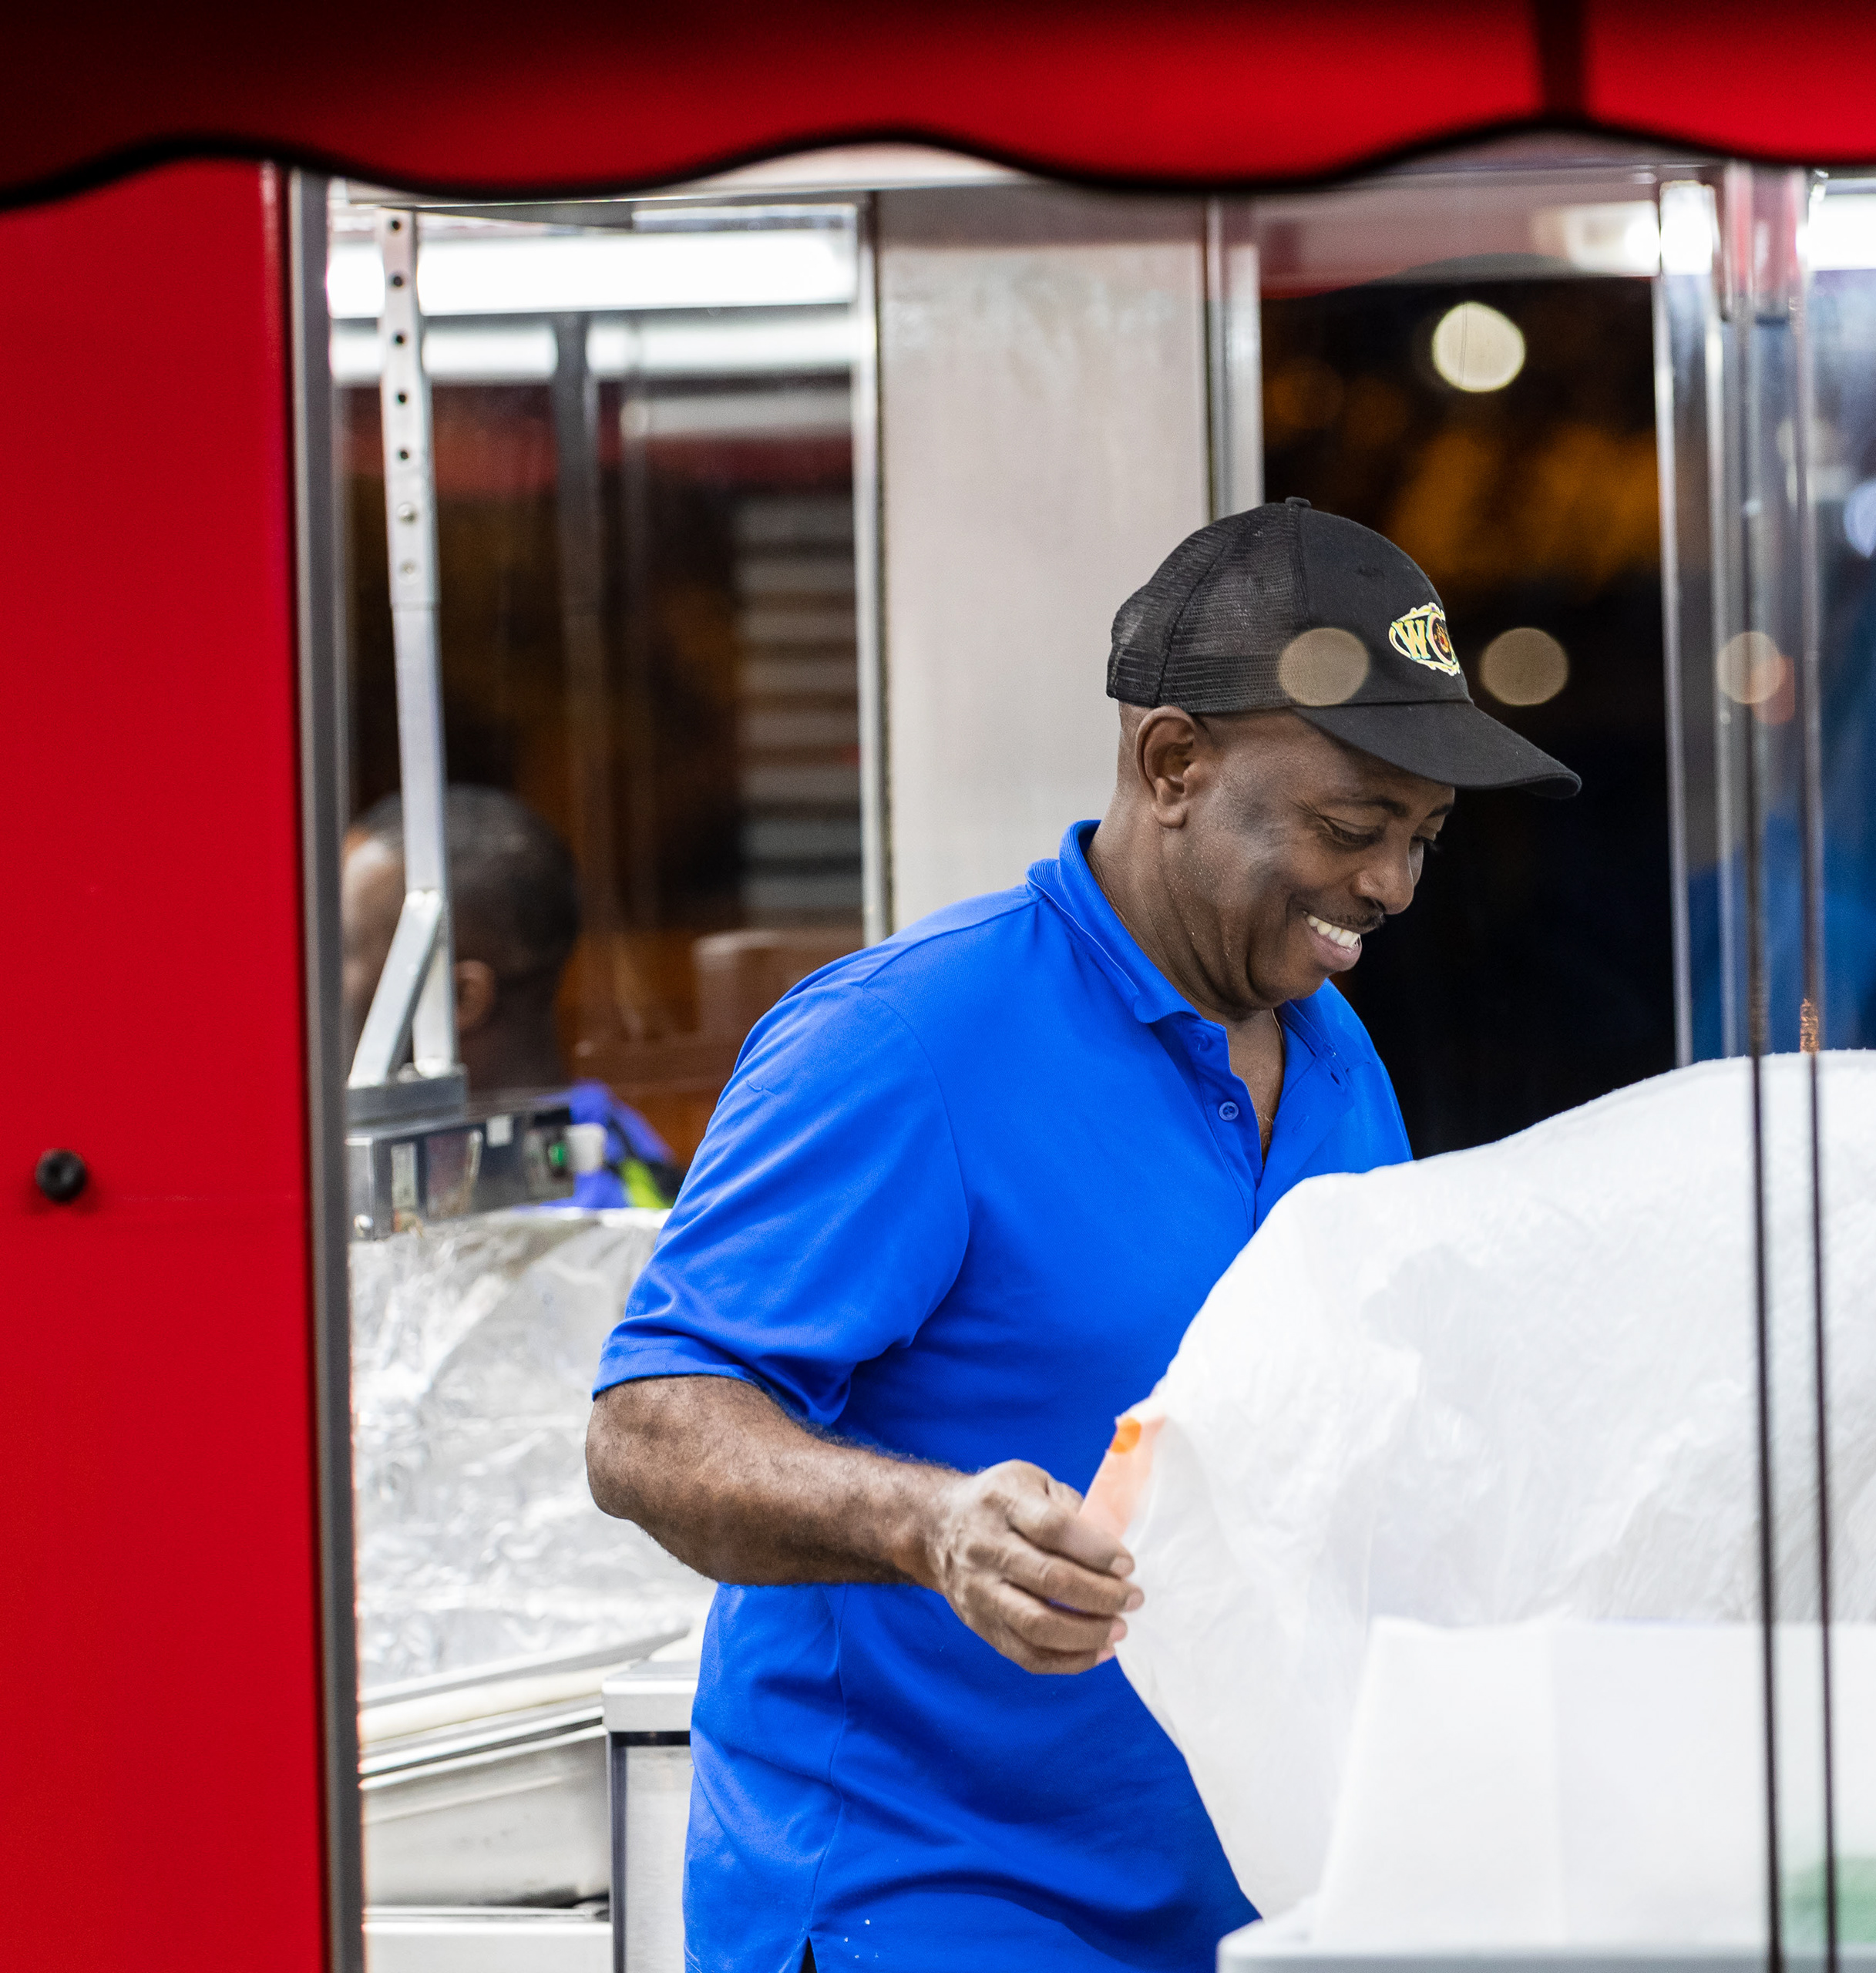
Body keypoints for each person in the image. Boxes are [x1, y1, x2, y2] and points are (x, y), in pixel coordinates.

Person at [583, 499, 1578, 1971]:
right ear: (1172, 763)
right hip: (925, 1909)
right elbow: (649, 1429)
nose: (1390, 887)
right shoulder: (909, 1039)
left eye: (1423, 840)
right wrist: (934, 1527)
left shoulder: (1335, 1056)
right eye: (1352, 827)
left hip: (1235, 1908)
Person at [341, 785, 674, 1208]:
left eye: (342, 950)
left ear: (459, 999)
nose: (307, 973)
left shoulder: (587, 1225)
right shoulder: (607, 1137)